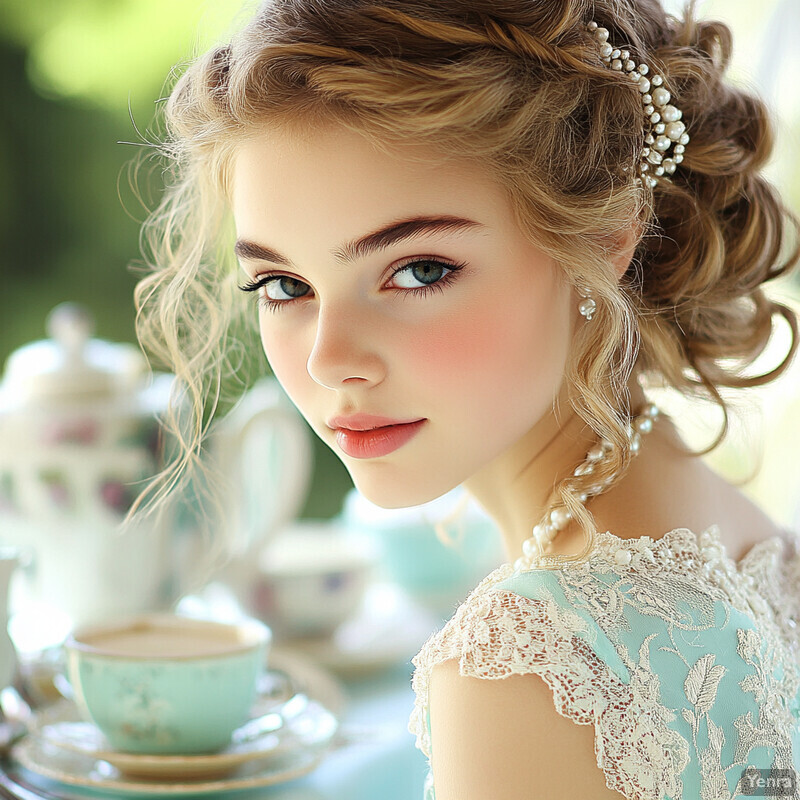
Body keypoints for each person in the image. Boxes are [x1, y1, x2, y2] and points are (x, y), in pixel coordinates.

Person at [133, 0, 800, 796]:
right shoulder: (742, 531)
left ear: (606, 237)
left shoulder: (524, 669)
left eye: (418, 271)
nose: (331, 359)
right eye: (284, 285)